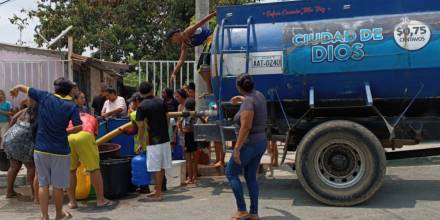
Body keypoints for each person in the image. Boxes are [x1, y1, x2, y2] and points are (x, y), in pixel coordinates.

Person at [9, 77, 83, 220]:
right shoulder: (71, 106)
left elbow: (25, 88)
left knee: (43, 184)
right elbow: (79, 126)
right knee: (58, 186)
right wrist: (65, 132)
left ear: (55, 88)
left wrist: (16, 88)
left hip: (41, 148)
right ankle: (59, 214)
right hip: (60, 151)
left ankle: (44, 216)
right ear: (68, 91)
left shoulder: (45, 96)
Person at [226, 74, 267, 220]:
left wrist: (237, 149)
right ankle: (254, 213)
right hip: (260, 142)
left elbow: (246, 127)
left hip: (249, 144)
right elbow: (252, 102)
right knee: (250, 176)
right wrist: (241, 99)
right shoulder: (259, 95)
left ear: (238, 87)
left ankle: (242, 210)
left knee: (231, 173)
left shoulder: (248, 103)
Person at [67, 91, 114, 209]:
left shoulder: (69, 115)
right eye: (82, 98)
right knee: (94, 169)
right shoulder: (91, 117)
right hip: (85, 134)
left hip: (68, 137)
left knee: (71, 171)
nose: (84, 100)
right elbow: (93, 136)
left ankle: (72, 202)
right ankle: (101, 200)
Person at [136, 81, 171, 201]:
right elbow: (167, 119)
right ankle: (158, 190)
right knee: (161, 166)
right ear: (151, 90)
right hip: (164, 137)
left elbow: (140, 127)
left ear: (140, 92)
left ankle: (158, 194)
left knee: (155, 167)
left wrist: (140, 142)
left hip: (153, 139)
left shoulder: (141, 106)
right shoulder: (162, 101)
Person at [167, 11, 216, 85]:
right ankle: (210, 91)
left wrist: (214, 14)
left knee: (202, 66)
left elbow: (202, 22)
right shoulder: (184, 44)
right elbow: (181, 60)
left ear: (175, 35)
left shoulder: (187, 32)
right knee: (200, 69)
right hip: (207, 44)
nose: (173, 43)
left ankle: (210, 91)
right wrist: (174, 73)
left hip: (211, 39)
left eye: (172, 40)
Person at [4, 98, 38, 202]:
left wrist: (9, 133)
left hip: (11, 136)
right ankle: (35, 194)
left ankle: (9, 192)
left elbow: (13, 118)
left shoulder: (26, 110)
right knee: (31, 166)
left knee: (14, 166)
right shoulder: (39, 111)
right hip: (25, 139)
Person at [181, 98, 198, 184]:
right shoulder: (194, 113)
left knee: (189, 159)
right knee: (193, 158)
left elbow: (186, 127)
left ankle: (191, 177)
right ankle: (193, 176)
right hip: (193, 136)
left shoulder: (187, 114)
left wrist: (182, 130)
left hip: (188, 136)